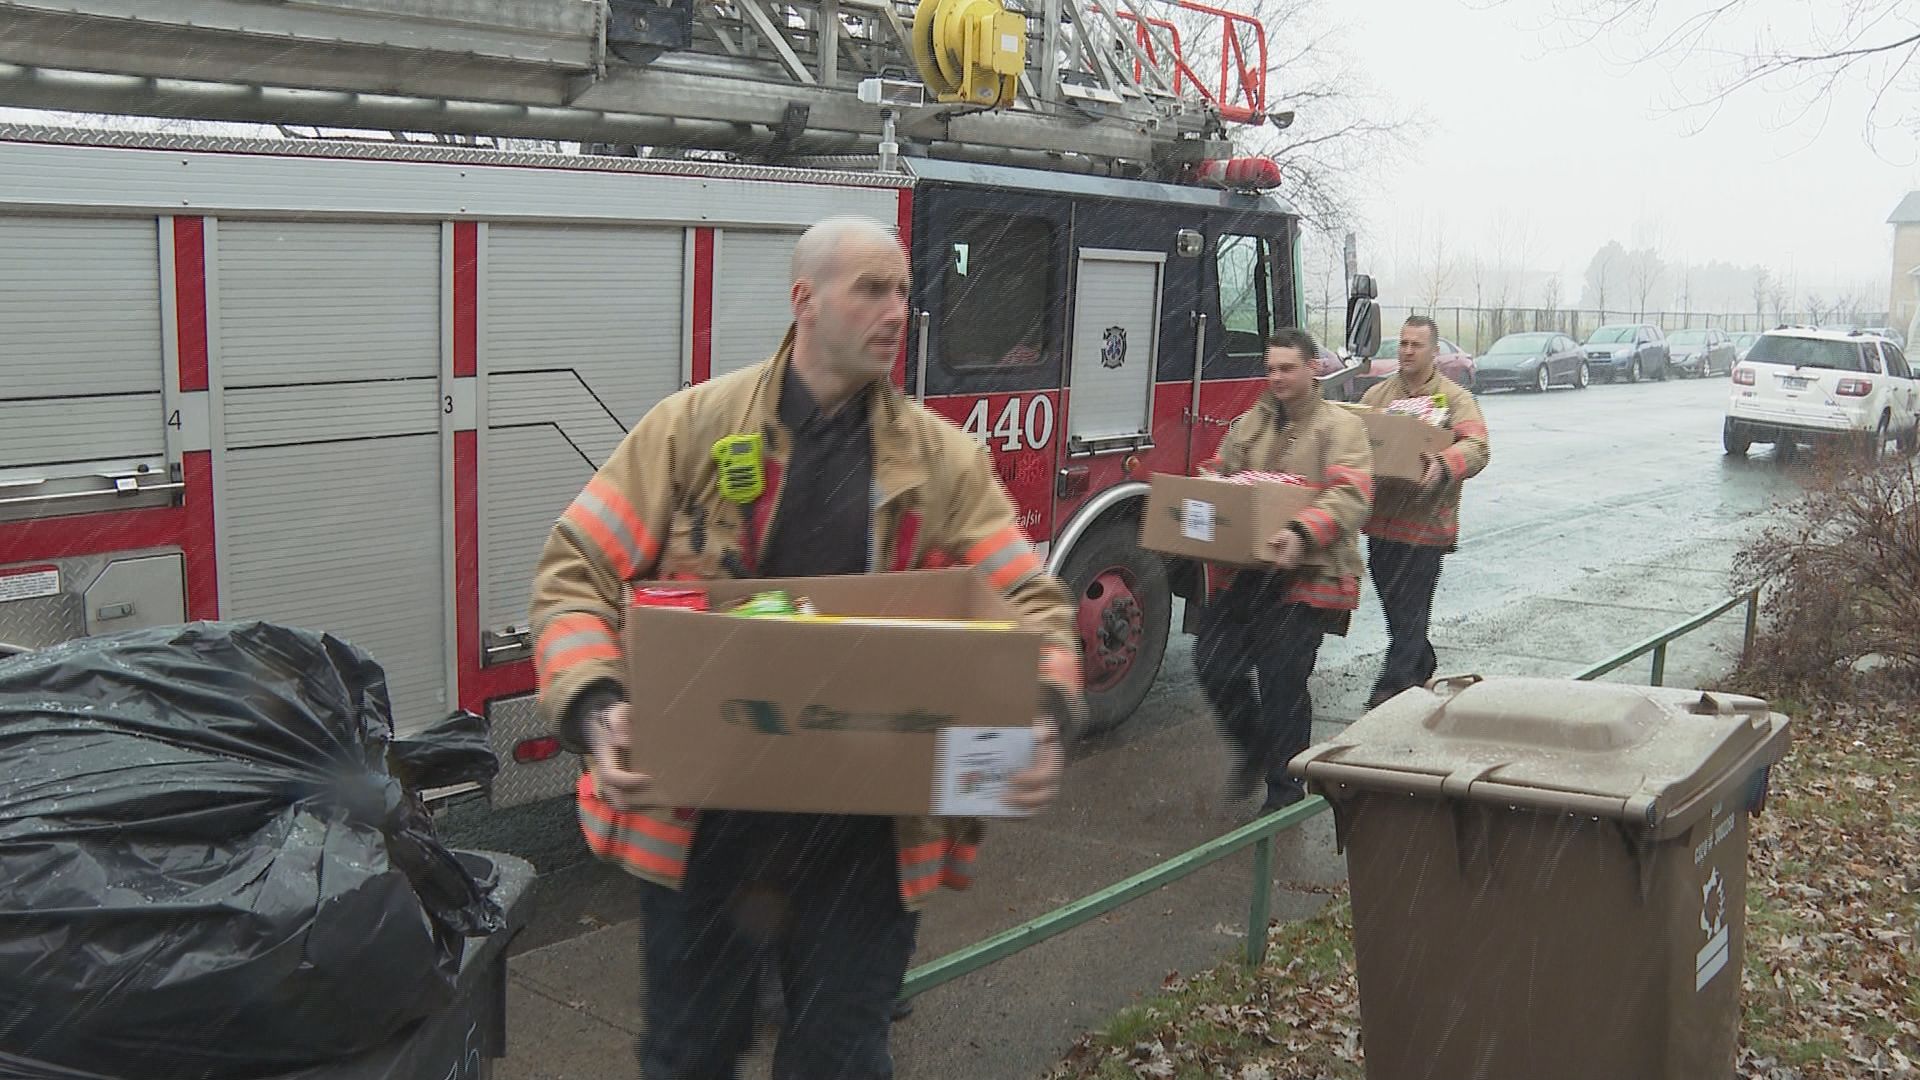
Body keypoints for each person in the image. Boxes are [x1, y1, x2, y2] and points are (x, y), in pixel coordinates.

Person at [526, 214, 1085, 1079]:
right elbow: (576, 573)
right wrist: (597, 705)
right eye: (871, 288)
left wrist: (1044, 709)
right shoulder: (690, 432)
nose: (897, 309)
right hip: (706, 821)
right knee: (688, 1056)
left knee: (841, 1058)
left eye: (902, 290)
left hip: (867, 828)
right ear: (804, 300)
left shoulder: (943, 464)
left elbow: (1030, 602)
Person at [1194, 327, 1374, 813]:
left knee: (1282, 681)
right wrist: (1207, 482)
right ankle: (1255, 746)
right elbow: (1224, 466)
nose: (1276, 377)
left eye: (1287, 368)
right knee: (1212, 662)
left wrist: (1302, 531)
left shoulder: (1339, 427)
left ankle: (1286, 789)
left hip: (1310, 574)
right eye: (1270, 368)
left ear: (1313, 368)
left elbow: (1351, 494)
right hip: (1250, 572)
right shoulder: (1255, 420)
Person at [1357, 314, 1491, 708]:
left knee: (1411, 612)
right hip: (1382, 526)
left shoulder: (1455, 400)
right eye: (1402, 344)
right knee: (1396, 610)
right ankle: (1422, 659)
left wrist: (1444, 465)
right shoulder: (1377, 398)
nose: (1407, 351)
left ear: (1435, 352)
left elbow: (1478, 447)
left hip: (1425, 527)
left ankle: (1390, 691)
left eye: (1416, 345)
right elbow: (1353, 438)